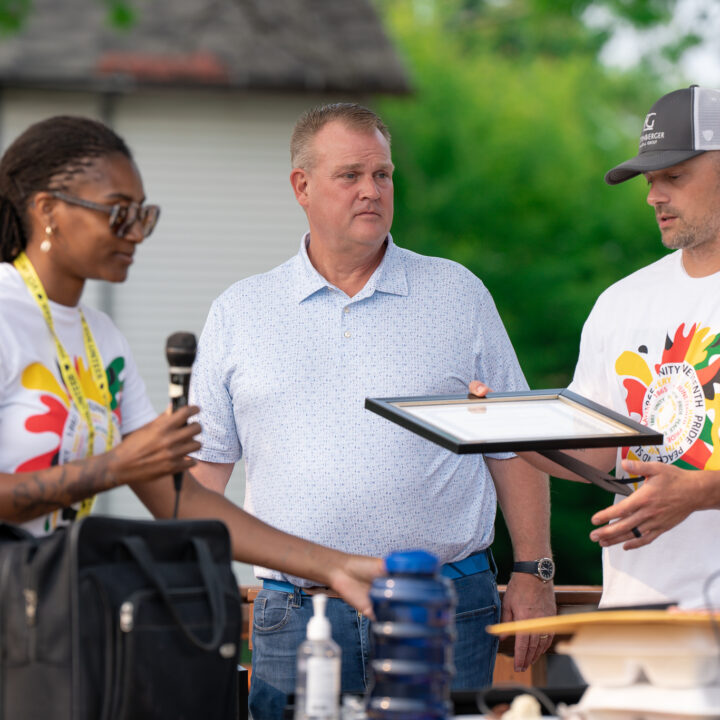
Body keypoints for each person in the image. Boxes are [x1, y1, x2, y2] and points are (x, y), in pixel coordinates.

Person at [189, 102, 555, 718]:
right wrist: (190, 588)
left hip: (444, 602)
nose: (371, 191)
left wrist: (534, 570)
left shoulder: (456, 293)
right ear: (301, 186)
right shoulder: (240, 311)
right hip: (296, 610)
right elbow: (203, 472)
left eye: (382, 175)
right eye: (350, 175)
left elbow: (514, 443)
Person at [0, 114, 384, 616]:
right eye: (118, 213)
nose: (136, 233)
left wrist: (333, 565)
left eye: (143, 214)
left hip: (40, 614)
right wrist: (115, 466)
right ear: (48, 210)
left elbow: (181, 500)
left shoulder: (102, 338)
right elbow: (128, 467)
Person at [473, 85, 720, 609]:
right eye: (651, 180)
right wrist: (505, 428)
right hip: (636, 610)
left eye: (674, 177)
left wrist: (701, 492)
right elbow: (599, 450)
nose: (654, 195)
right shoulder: (622, 301)